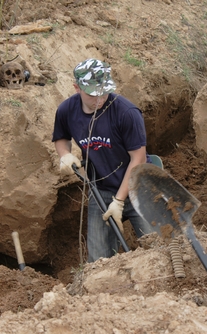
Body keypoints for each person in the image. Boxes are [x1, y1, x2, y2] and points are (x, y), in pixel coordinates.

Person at [52, 58, 155, 262]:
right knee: (99, 262)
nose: (99, 98)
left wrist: (119, 201)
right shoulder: (66, 111)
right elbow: (61, 137)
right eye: (92, 93)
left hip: (139, 188)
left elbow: (138, 158)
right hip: (102, 190)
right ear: (76, 87)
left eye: (104, 91)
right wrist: (65, 154)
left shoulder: (126, 113)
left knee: (158, 250)